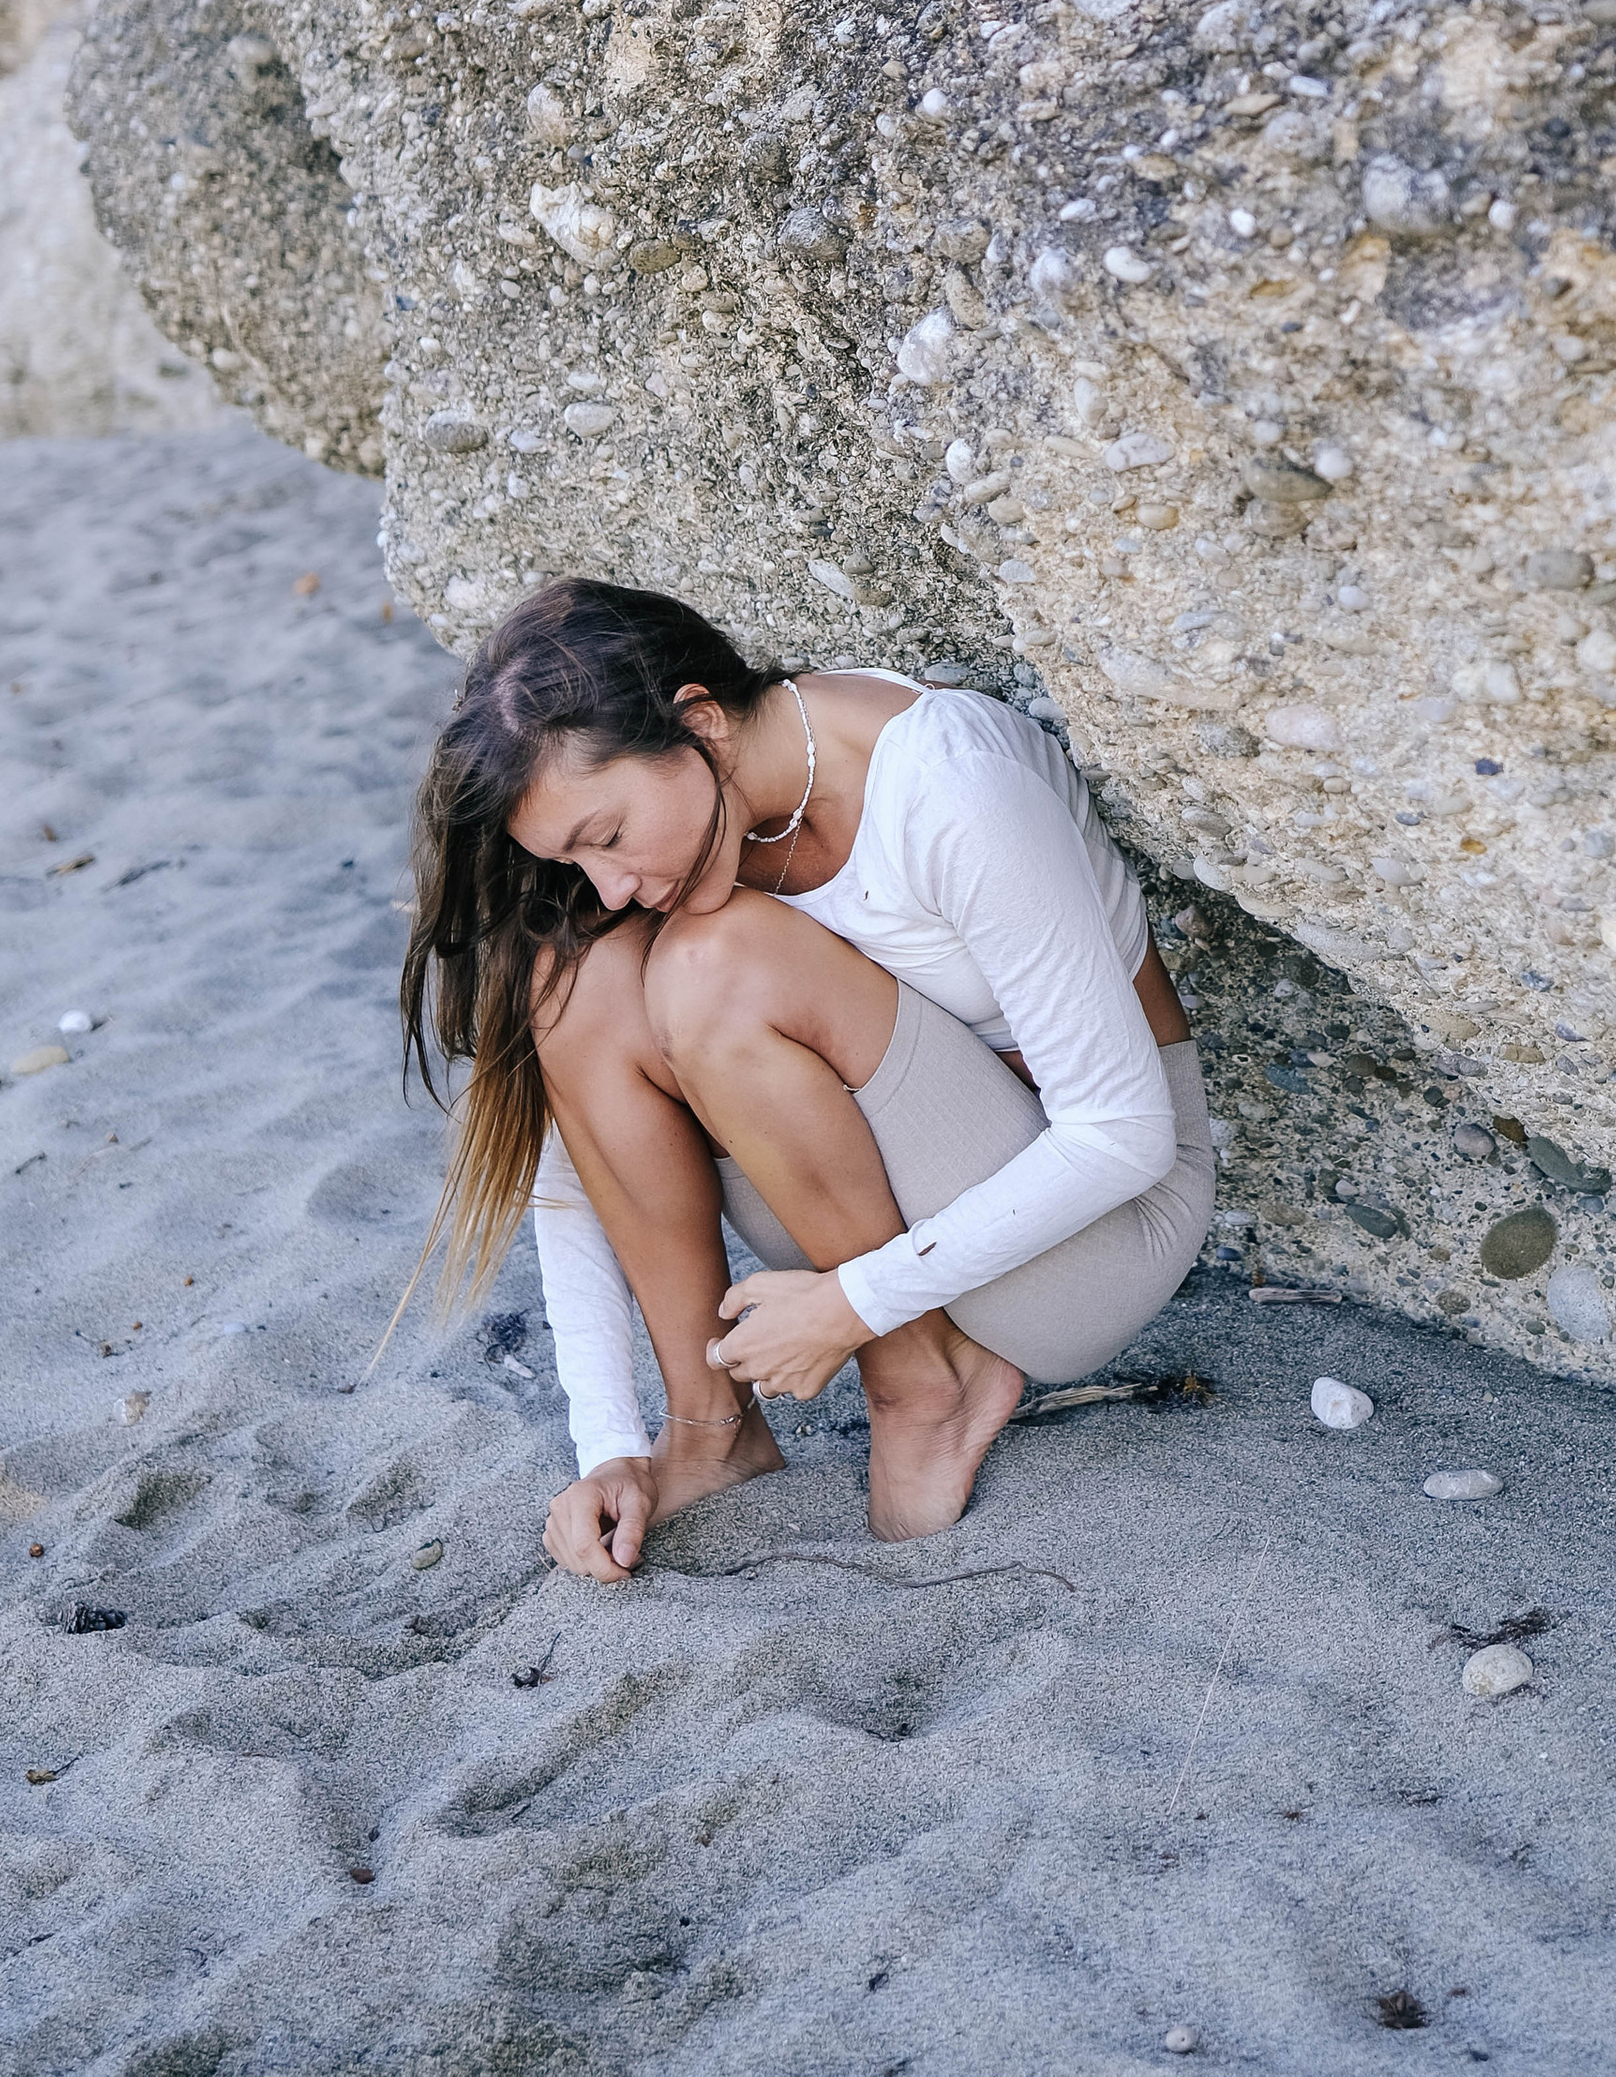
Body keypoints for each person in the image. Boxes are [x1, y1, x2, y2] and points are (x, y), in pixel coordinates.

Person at [399, 576, 1213, 1583]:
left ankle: (919, 1384)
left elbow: (1122, 1136)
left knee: (713, 963)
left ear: (700, 722)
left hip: (1097, 1236)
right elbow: (584, 1160)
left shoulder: (950, 785)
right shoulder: (700, 837)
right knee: (573, 979)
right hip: (904, 1219)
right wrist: (605, 1438)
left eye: (605, 837)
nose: (610, 883)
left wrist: (855, 1306)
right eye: (578, 860)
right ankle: (710, 1432)